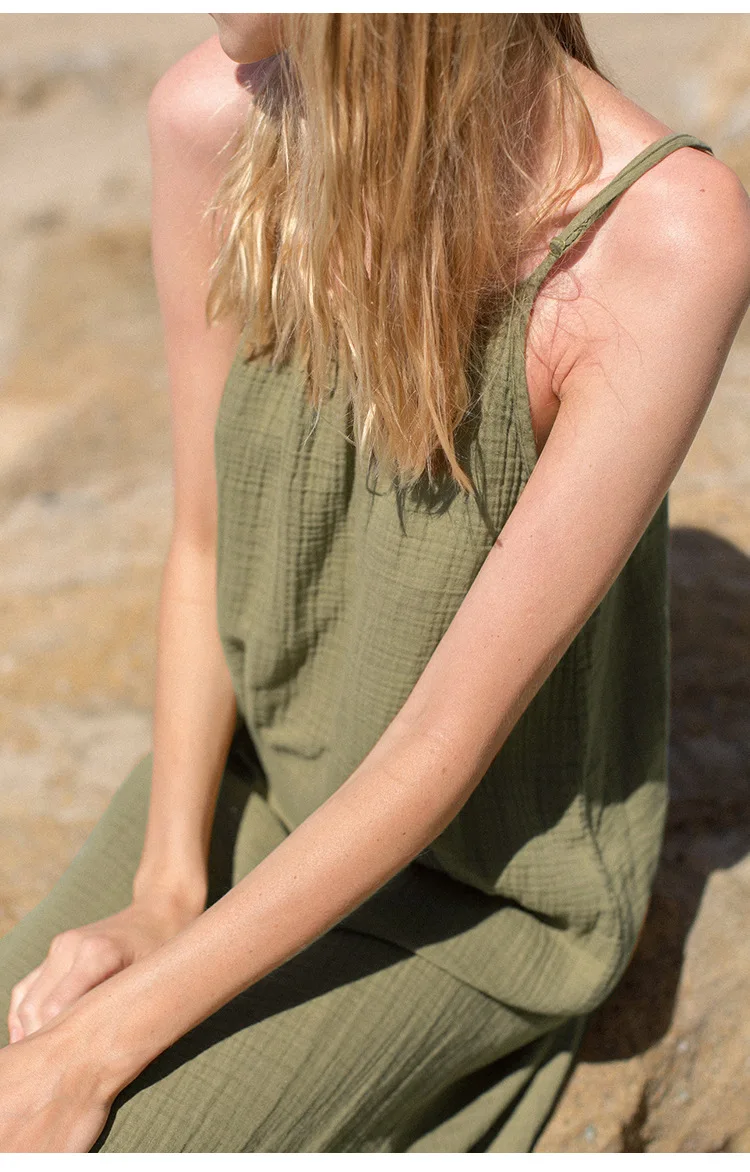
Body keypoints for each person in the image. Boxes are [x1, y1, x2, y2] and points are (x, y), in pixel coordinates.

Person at [0, 13, 749, 1154]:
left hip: (475, 886)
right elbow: (204, 542)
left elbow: (439, 746)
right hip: (247, 787)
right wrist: (163, 889)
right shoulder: (217, 120)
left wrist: (94, 1051)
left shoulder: (658, 236)